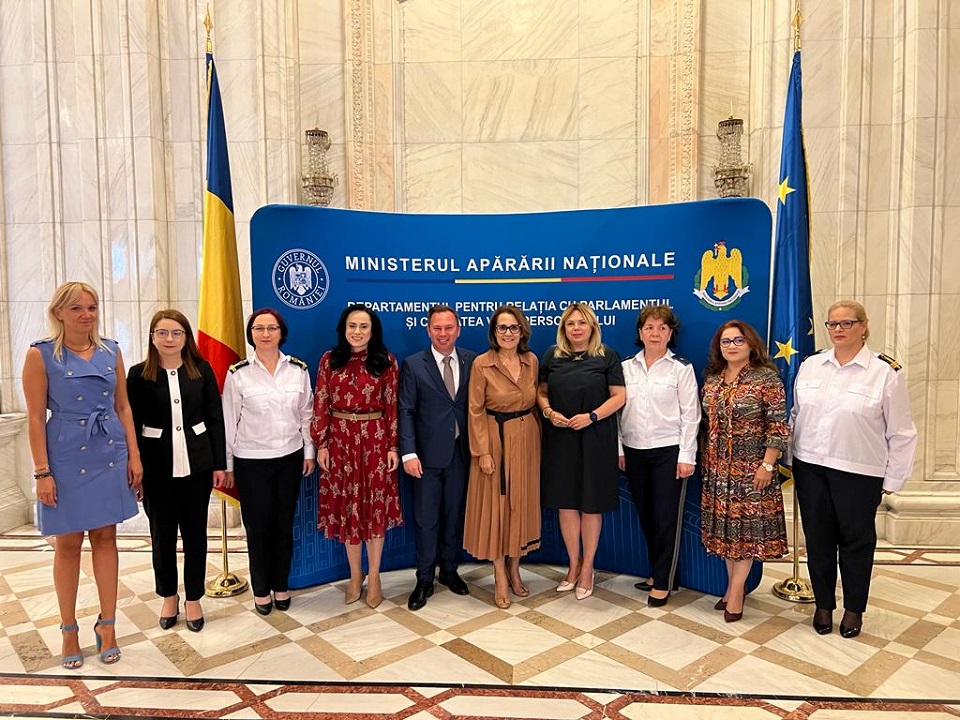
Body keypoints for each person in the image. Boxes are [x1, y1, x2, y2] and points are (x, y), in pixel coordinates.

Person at [23, 281, 142, 667]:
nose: (86, 315)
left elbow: (123, 407)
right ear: (58, 312)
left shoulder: (111, 350)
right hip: (65, 455)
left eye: (91, 307)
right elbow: (35, 418)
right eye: (76, 308)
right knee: (68, 542)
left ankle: (107, 625)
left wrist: (134, 456)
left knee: (106, 538)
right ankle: (69, 629)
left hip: (108, 451)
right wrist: (42, 472)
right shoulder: (40, 355)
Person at [790, 300, 917, 638]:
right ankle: (823, 605)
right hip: (811, 466)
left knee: (856, 543)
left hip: (858, 471)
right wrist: (788, 460)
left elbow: (901, 431)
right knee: (818, 540)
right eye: (833, 324)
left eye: (847, 323)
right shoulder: (812, 365)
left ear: (863, 326)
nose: (838, 329)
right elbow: (797, 415)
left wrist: (893, 478)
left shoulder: (884, 372)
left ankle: (854, 609)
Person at [127, 310, 229, 632]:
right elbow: (130, 424)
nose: (169, 339)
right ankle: (168, 596)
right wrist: (135, 466)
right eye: (162, 333)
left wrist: (219, 464)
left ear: (186, 337)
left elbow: (215, 418)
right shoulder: (138, 374)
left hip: (197, 466)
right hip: (155, 469)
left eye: (176, 333)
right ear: (152, 337)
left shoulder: (201, 370)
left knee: (196, 535)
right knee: (162, 536)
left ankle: (193, 598)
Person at [223, 308, 315, 616]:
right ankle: (261, 588)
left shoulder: (298, 370)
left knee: (283, 525)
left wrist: (309, 451)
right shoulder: (238, 374)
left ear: (281, 333)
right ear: (251, 334)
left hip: (290, 457)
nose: (265, 334)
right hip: (251, 461)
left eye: (271, 328)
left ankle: (281, 584)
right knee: (258, 527)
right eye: (259, 328)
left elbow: (306, 414)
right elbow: (228, 422)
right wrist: (228, 465)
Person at [312, 304, 402, 609]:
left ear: (373, 331)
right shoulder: (329, 360)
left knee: (374, 509)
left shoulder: (386, 361)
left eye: (364, 326)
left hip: (375, 440)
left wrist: (392, 447)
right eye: (352, 325)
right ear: (343, 329)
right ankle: (355, 574)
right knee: (348, 509)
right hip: (340, 441)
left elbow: (392, 406)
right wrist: (321, 444)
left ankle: (374, 575)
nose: (357, 332)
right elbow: (321, 401)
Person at [700, 320, 789, 622]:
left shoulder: (766, 378)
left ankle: (737, 592)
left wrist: (768, 464)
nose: (732, 346)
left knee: (747, 533)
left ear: (751, 344)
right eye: (726, 341)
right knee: (728, 534)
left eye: (738, 340)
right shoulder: (713, 379)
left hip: (752, 469)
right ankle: (731, 587)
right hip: (717, 470)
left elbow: (778, 426)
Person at [538, 302, 625, 600]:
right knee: (566, 504)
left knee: (591, 504)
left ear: (592, 327)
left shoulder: (607, 355)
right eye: (571, 323)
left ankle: (588, 568)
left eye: (582, 323)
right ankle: (573, 565)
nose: (576, 328)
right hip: (560, 438)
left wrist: (592, 416)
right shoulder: (552, 355)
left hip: (595, 437)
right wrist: (549, 412)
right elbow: (540, 392)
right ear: (564, 329)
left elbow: (620, 396)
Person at [618, 305, 700, 607]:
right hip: (634, 450)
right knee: (647, 516)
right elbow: (617, 412)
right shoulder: (626, 368)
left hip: (669, 451)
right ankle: (662, 572)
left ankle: (663, 583)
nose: (655, 333)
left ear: (670, 333)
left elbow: (691, 414)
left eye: (662, 328)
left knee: (666, 518)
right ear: (640, 333)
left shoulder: (681, 368)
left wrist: (687, 455)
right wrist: (619, 449)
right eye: (649, 328)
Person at [399, 305, 477, 611]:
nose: (443, 334)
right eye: (437, 328)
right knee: (426, 519)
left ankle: (449, 570)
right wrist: (408, 452)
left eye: (448, 328)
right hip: (425, 457)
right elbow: (406, 410)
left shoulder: (473, 360)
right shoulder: (413, 364)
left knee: (454, 515)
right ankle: (424, 578)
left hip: (462, 453)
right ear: (428, 330)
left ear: (458, 330)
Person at [463, 305, 541, 609]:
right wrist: (482, 451)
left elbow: (536, 401)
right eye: (502, 328)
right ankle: (498, 574)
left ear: (522, 331)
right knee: (497, 507)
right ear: (494, 332)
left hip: (527, 438)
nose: (508, 333)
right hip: (494, 440)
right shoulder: (482, 363)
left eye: (513, 327)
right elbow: (475, 410)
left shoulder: (531, 360)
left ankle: (514, 567)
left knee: (520, 504)